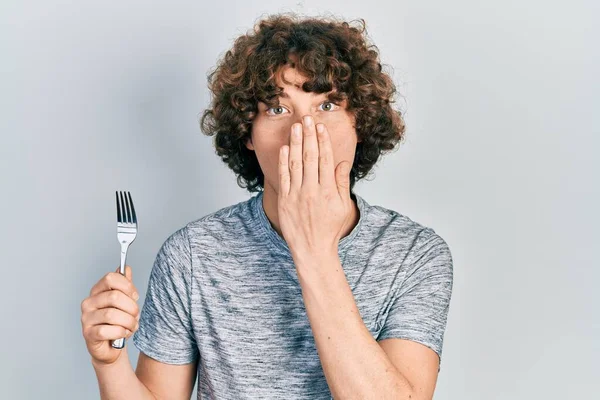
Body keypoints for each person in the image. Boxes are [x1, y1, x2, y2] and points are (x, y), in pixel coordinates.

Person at [81, 13, 453, 400]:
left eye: (326, 107)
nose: (303, 131)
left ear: (359, 123)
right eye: (278, 109)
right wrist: (108, 366)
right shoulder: (191, 254)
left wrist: (314, 247)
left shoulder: (415, 255)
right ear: (248, 134)